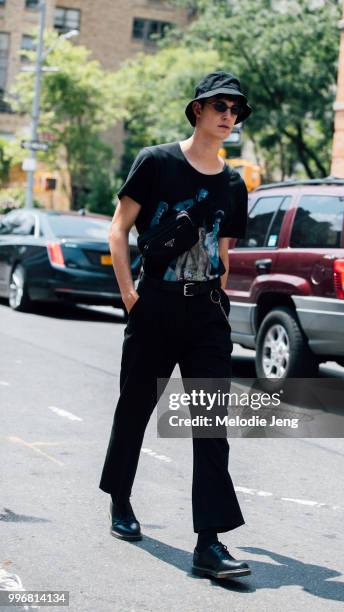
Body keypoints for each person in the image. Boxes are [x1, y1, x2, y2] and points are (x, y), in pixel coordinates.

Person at [99, 71, 252, 579]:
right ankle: (120, 497)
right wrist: (130, 297)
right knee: (136, 406)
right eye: (219, 105)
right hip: (155, 306)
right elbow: (119, 229)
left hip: (207, 311)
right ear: (198, 111)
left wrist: (221, 305)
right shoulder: (156, 161)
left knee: (211, 425)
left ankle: (209, 543)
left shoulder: (234, 182)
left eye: (234, 108)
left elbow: (224, 252)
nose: (228, 114)